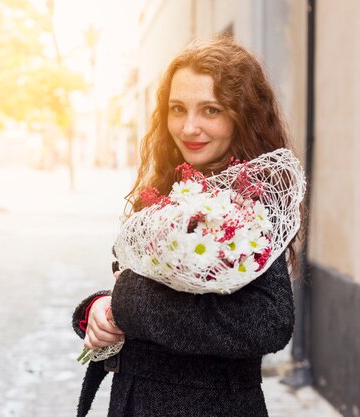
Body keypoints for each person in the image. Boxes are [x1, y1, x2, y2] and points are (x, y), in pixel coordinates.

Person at [71, 35, 302, 417]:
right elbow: (138, 285)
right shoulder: (166, 186)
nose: (189, 127)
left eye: (210, 110)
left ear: (241, 115)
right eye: (177, 109)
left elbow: (269, 322)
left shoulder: (250, 201)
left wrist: (126, 304)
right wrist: (97, 309)